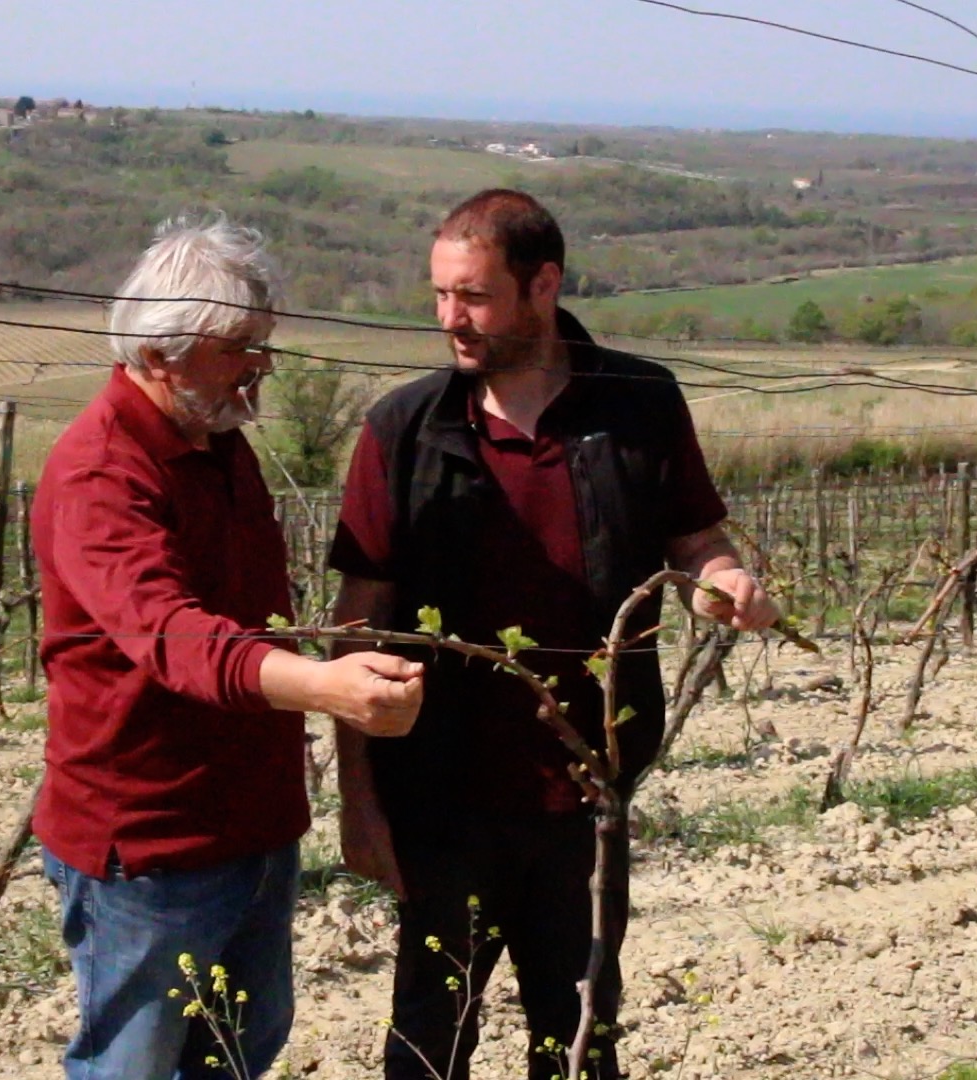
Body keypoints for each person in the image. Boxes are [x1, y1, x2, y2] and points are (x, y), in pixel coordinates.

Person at [329, 189, 780, 1080]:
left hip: (588, 793)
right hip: (443, 798)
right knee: (428, 1043)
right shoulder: (403, 430)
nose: (451, 320)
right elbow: (357, 622)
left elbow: (696, 540)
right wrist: (361, 797)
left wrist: (722, 583)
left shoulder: (641, 403)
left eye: (474, 297)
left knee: (578, 1042)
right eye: (440, 297)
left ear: (544, 286)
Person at [31, 214, 425, 1080]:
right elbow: (170, 634)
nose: (262, 366)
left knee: (243, 1052)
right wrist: (323, 687)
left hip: (252, 823)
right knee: (133, 1067)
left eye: (264, 342)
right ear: (160, 354)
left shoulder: (219, 444)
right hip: (150, 844)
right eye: (239, 346)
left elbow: (247, 618)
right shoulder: (101, 474)